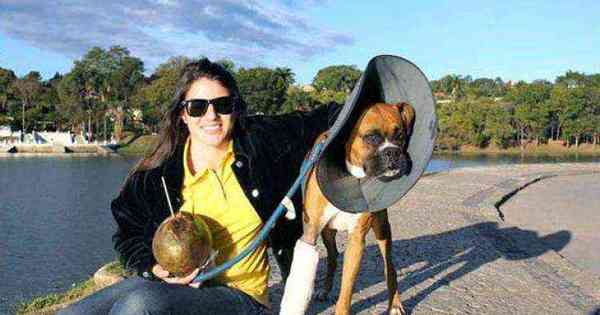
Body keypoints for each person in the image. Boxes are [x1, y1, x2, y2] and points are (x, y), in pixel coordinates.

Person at [58, 58, 338, 315]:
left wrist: (376, 104)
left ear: (235, 108)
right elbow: (128, 229)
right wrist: (155, 268)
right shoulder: (162, 172)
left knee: (140, 306)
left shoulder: (261, 143)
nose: (211, 115)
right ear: (183, 114)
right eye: (198, 107)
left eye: (223, 105)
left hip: (244, 300)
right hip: (179, 290)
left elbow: (326, 117)